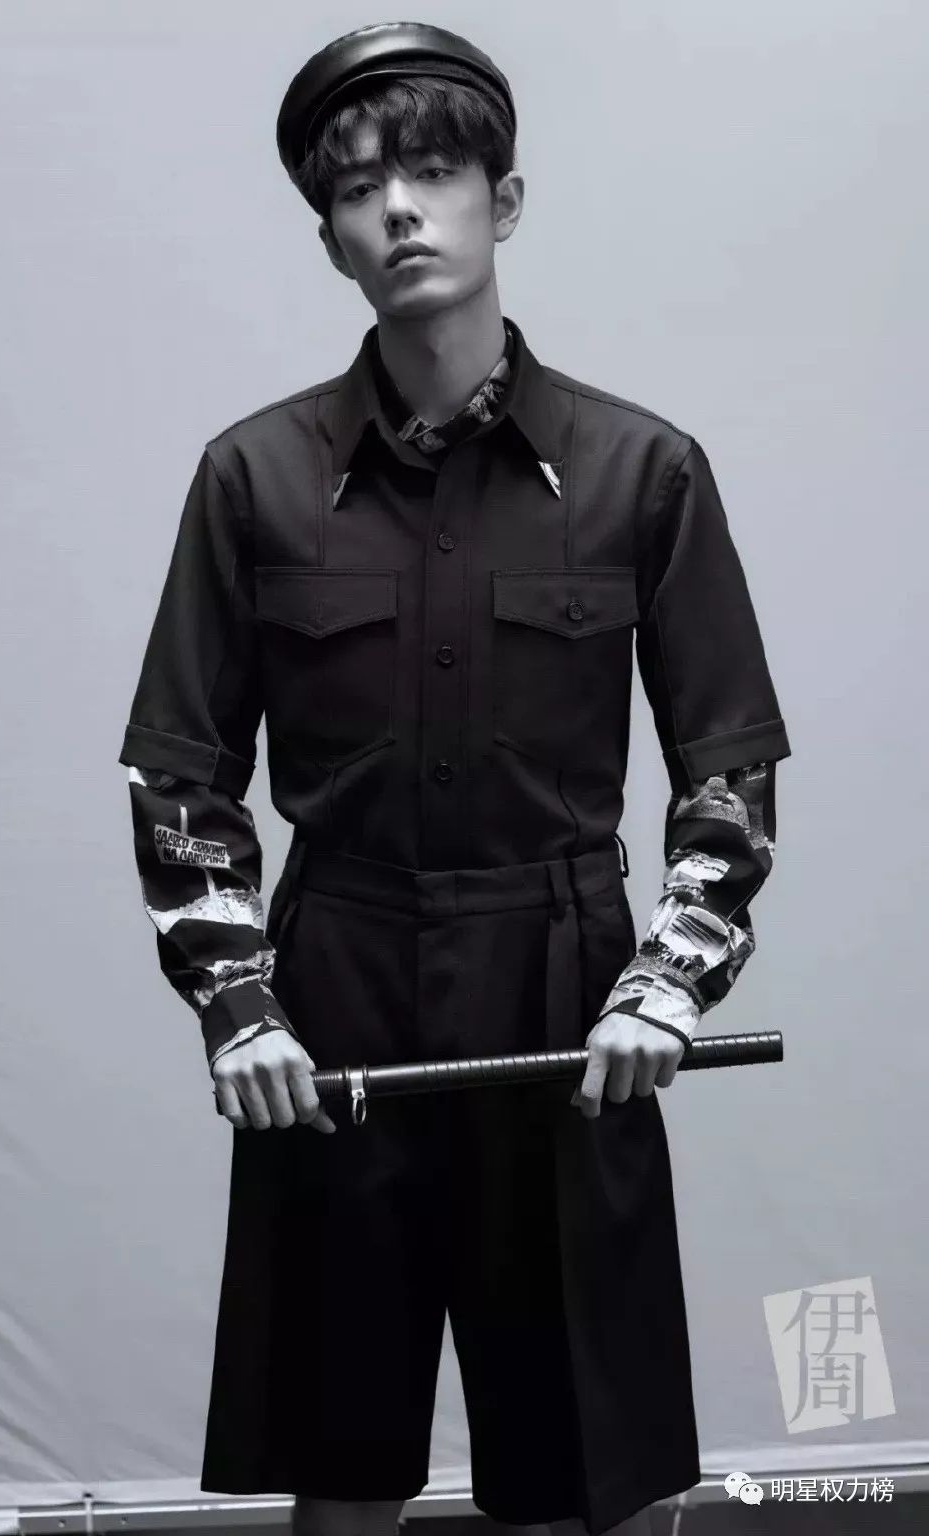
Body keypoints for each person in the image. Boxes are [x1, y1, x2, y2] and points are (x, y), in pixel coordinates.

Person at [118, 21, 790, 1536]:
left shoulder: (642, 471)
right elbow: (181, 777)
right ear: (329, 241)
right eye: (360, 191)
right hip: (335, 993)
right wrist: (239, 1003)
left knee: (573, 1468)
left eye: (431, 173)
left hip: (565, 996)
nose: (401, 211)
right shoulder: (253, 477)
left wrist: (668, 983)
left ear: (507, 200)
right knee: (341, 1461)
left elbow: (728, 767)